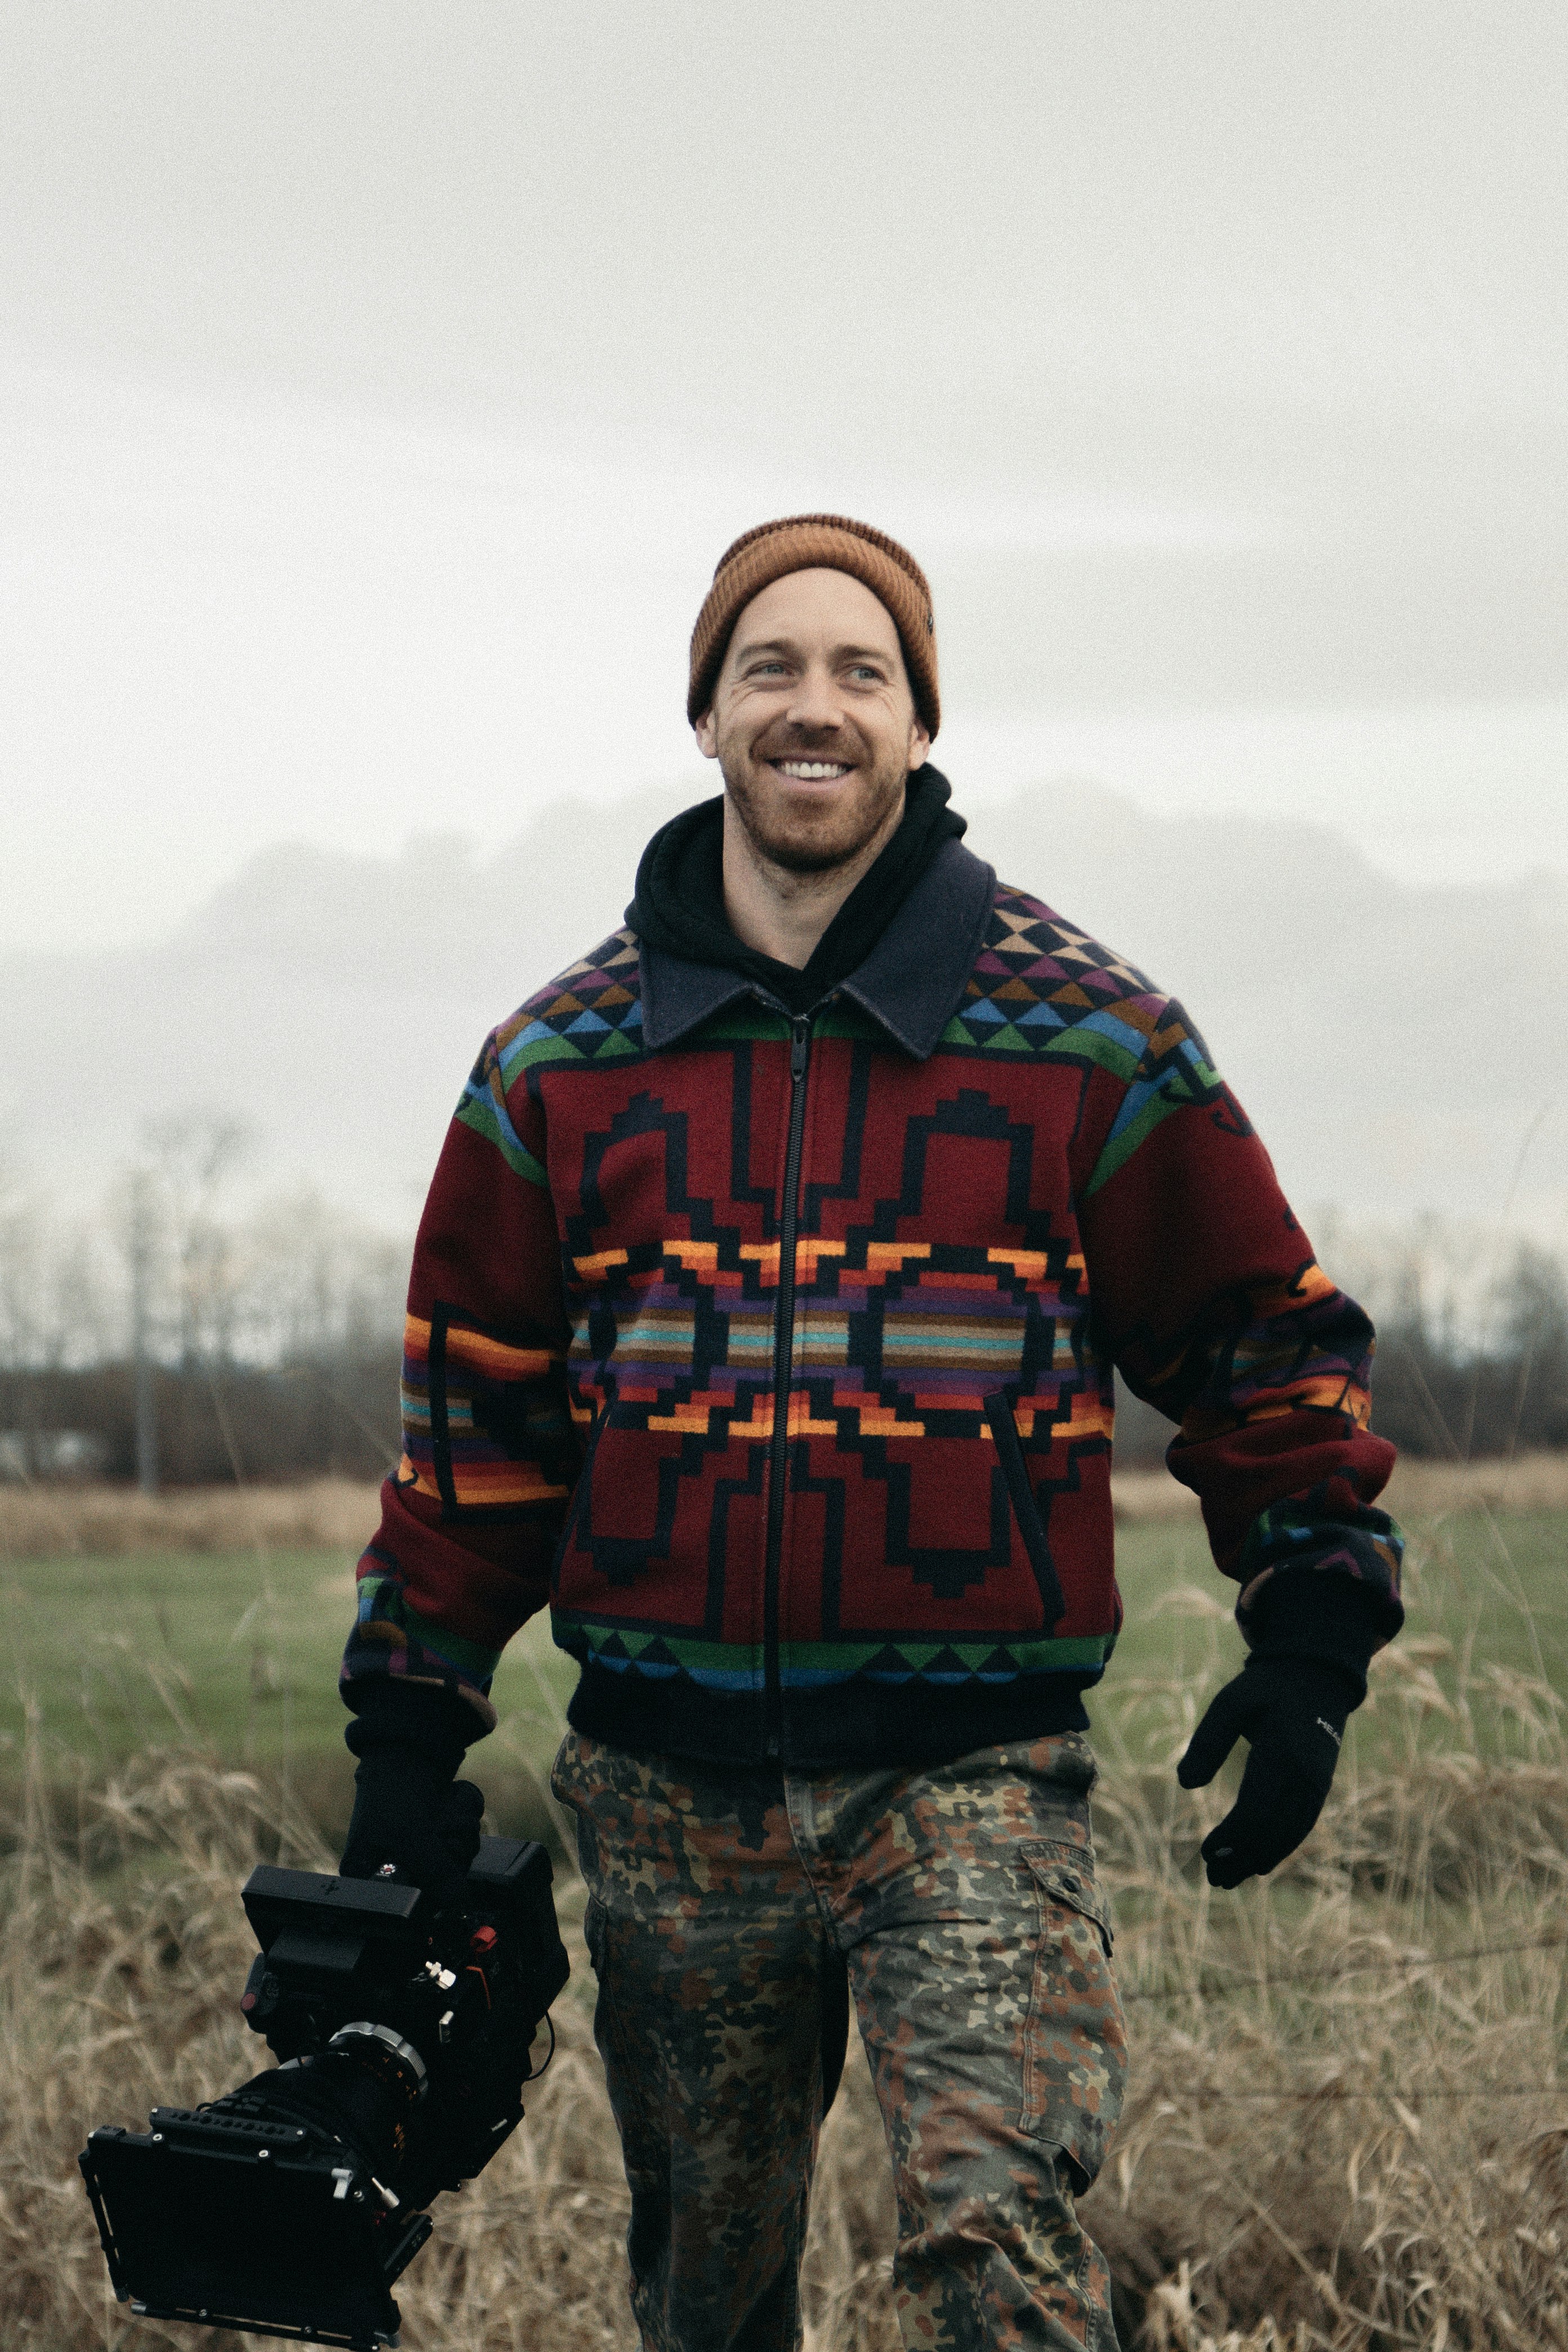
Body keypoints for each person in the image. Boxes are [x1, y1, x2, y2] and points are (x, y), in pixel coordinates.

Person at [337, 515, 1404, 2351]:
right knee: (705, 2300)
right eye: (772, 668)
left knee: (1001, 2260)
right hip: (667, 1803)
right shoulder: (559, 1067)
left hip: (970, 1778)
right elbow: (477, 1429)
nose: (814, 706)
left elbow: (1256, 1346)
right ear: (708, 717)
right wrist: (408, 1728)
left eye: (861, 671)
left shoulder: (1090, 1036)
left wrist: (1310, 1636)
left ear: (918, 722)